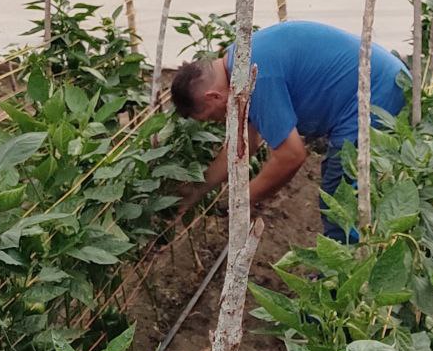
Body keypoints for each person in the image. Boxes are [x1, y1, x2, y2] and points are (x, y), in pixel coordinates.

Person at [171, 20, 408, 241]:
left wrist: (243, 200)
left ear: (213, 96)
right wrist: (196, 191)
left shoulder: (258, 76)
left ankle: (343, 278)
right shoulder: (239, 63)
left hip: (379, 91)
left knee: (339, 195)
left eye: (211, 116)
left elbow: (291, 156)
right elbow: (244, 145)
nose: (219, 121)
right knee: (354, 188)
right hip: (382, 79)